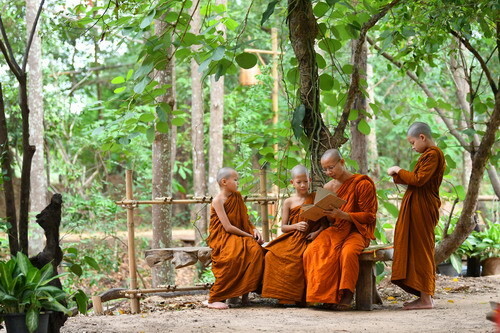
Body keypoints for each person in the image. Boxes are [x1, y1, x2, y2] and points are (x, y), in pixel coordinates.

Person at [303, 149, 378, 310]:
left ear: (342, 162)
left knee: (348, 253)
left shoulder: (362, 184)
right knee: (313, 251)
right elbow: (330, 220)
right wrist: (326, 214)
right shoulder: (328, 187)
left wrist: (345, 215)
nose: (328, 172)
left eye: (331, 167)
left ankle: (346, 294)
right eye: (325, 169)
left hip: (358, 230)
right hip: (337, 229)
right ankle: (325, 296)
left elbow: (370, 216)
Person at [388, 122, 445, 310]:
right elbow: (416, 179)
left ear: (422, 137)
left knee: (422, 250)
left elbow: (418, 180)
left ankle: (426, 299)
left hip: (424, 207)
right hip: (418, 206)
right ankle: (423, 296)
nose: (412, 147)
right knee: (417, 250)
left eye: (413, 142)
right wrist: (399, 175)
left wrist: (398, 170)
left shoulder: (434, 154)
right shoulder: (428, 155)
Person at [262, 165, 325, 305]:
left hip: (310, 238)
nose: (303, 185)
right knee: (271, 255)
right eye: (299, 182)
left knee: (299, 258)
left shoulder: (316, 198)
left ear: (309, 180)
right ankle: (283, 297)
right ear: (292, 183)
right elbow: (284, 227)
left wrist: (316, 233)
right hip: (292, 236)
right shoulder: (289, 202)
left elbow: (325, 223)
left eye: (305, 182)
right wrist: (295, 226)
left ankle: (299, 298)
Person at [204, 167, 265, 310]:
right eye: (235, 180)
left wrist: (254, 230)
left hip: (240, 234)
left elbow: (246, 220)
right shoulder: (218, 200)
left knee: (256, 250)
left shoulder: (237, 197)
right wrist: (249, 235)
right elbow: (227, 227)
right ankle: (215, 298)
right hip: (223, 237)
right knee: (232, 256)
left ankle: (245, 294)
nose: (238, 183)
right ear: (224, 182)